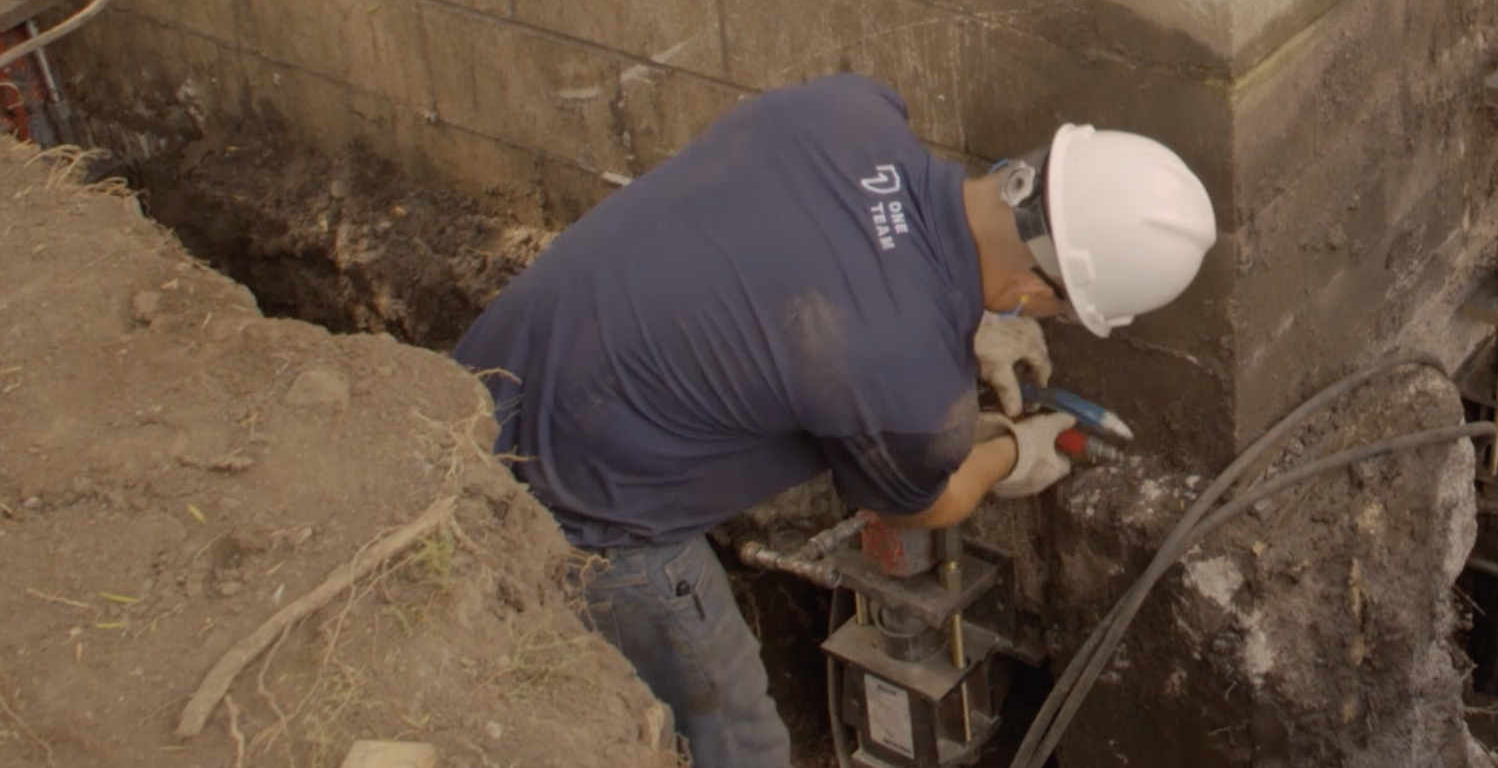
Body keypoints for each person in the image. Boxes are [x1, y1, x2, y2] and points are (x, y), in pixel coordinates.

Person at [453, 74, 1217, 768]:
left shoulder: (851, 112)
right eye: (1057, 307)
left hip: (478, 386)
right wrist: (1011, 451)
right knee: (740, 733)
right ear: (1030, 291)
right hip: (584, 510)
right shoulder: (912, 392)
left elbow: (844, 254)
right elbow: (921, 500)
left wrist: (956, 318)